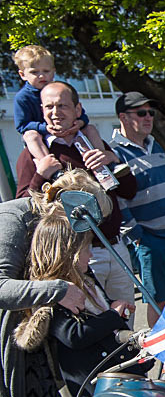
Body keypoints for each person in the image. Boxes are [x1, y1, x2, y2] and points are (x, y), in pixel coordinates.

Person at [0, 170, 111, 397]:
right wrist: (59, 290)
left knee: (44, 391)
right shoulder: (16, 217)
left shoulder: (57, 223)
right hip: (4, 324)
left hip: (28, 320)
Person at [15, 81, 138, 322]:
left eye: (62, 105)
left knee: (127, 323)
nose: (55, 112)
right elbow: (21, 206)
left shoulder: (92, 143)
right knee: (93, 328)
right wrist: (41, 175)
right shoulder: (35, 153)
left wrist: (111, 160)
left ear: (78, 110)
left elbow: (129, 191)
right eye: (49, 107)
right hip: (78, 258)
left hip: (116, 248)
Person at [14, 211, 148, 397]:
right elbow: (74, 335)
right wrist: (112, 316)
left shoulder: (86, 278)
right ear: (69, 254)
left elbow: (103, 308)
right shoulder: (52, 296)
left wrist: (114, 306)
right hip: (96, 387)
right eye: (86, 249)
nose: (91, 254)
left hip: (120, 374)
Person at [110, 91, 165, 326]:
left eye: (151, 113)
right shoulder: (114, 153)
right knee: (158, 301)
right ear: (123, 117)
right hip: (149, 240)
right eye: (141, 113)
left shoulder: (156, 145)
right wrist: (137, 235)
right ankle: (161, 353)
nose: (148, 118)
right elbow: (117, 199)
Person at [12, 45, 104, 174]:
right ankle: (50, 165)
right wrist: (44, 128)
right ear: (22, 74)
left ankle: (103, 160)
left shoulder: (62, 91)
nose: (41, 76)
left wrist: (80, 123)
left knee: (91, 128)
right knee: (30, 136)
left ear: (53, 72)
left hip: (68, 129)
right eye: (34, 72)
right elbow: (22, 125)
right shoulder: (23, 97)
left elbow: (82, 115)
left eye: (46, 71)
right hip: (42, 134)